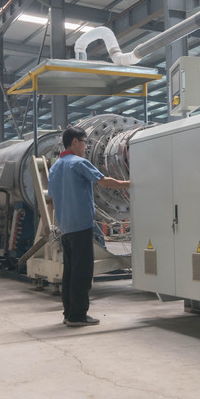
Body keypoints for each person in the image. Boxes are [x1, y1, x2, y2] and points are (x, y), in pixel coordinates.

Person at [47, 125, 130, 327]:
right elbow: (105, 182)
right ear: (75, 142)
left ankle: (69, 313)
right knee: (82, 273)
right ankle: (78, 316)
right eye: (84, 142)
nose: (86, 147)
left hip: (65, 228)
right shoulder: (78, 163)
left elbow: (52, 200)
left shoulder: (55, 167)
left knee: (70, 272)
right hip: (81, 226)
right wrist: (130, 183)